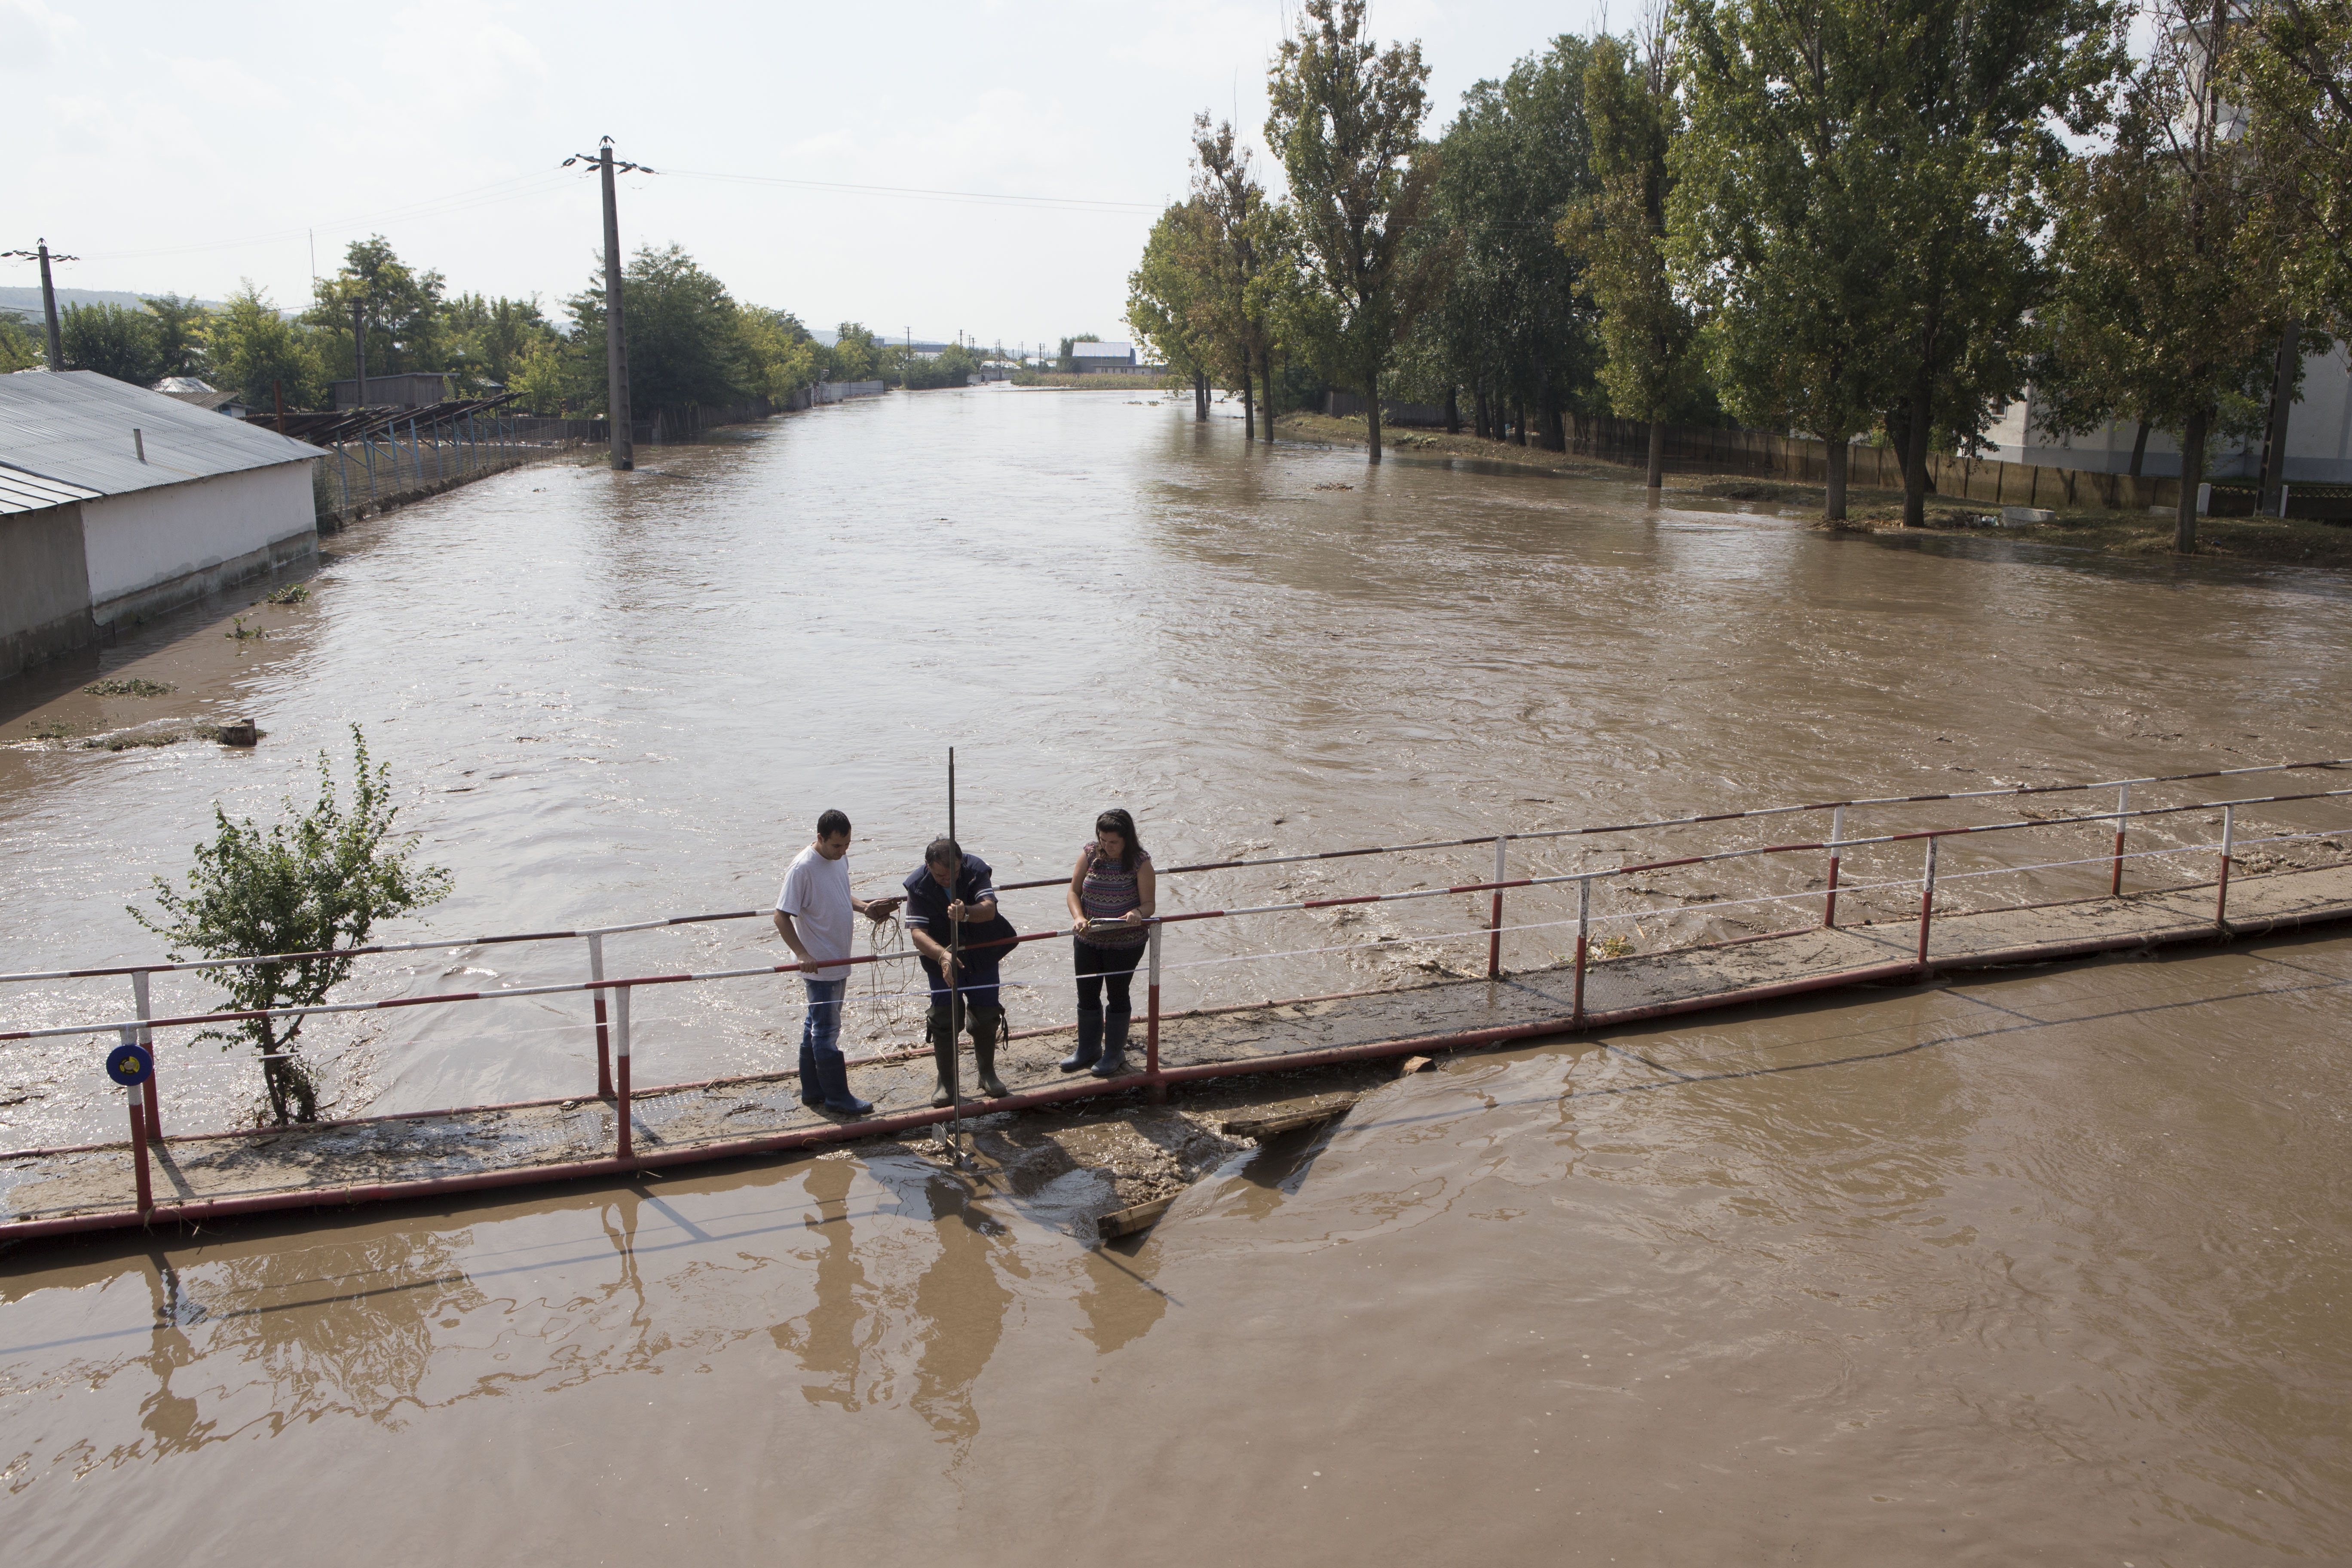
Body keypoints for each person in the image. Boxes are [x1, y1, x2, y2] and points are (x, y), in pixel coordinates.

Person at [774, 809, 901, 1117]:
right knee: (827, 1029)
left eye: (847, 845)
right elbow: (781, 915)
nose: (843, 852)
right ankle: (836, 1097)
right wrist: (802, 954)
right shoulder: (802, 868)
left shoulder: (838, 859)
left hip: (839, 957)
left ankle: (813, 1090)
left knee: (815, 1025)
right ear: (820, 838)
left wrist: (866, 908)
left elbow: (841, 894)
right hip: (820, 964)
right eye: (836, 846)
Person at [903, 837, 1019, 1106]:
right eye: (941, 875)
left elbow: (989, 909)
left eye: (954, 873)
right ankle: (946, 1080)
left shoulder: (975, 870)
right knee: (944, 1017)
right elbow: (918, 933)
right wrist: (942, 955)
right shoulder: (917, 885)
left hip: (981, 955)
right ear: (927, 866)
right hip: (941, 959)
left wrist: (965, 912)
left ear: (961, 862)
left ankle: (987, 1073)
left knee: (986, 1012)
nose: (949, 879)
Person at [1061, 808, 1156, 1078]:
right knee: (1087, 994)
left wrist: (1138, 913)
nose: (1108, 846)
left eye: (1114, 842)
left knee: (1117, 994)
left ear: (1127, 839)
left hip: (1125, 941)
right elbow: (1073, 892)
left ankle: (1114, 1053)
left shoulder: (1140, 862)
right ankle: (1087, 1050)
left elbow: (1149, 904)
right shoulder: (1091, 854)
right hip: (1088, 937)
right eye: (1103, 840)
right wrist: (1079, 917)